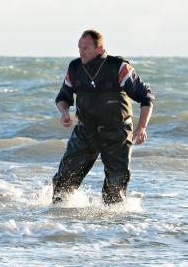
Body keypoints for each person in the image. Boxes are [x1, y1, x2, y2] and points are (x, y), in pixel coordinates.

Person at [51, 29, 155, 204]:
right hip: (86, 131)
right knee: (63, 180)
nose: (80, 51)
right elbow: (63, 97)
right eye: (79, 47)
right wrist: (64, 113)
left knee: (115, 187)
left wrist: (141, 127)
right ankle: (61, 219)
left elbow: (146, 96)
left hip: (117, 133)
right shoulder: (74, 68)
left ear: (99, 49)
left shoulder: (119, 67)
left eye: (85, 48)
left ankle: (111, 227)